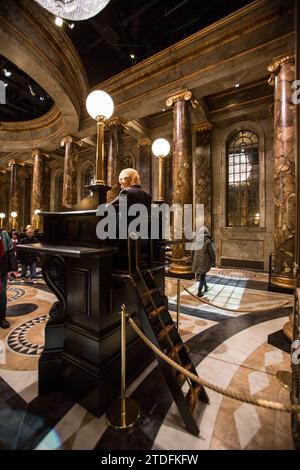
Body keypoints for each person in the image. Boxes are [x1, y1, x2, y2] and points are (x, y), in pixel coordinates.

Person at [191, 226, 215, 297]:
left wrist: (192, 259)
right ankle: (199, 291)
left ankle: (206, 286)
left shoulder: (195, 239)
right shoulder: (207, 241)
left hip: (196, 259)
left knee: (202, 274)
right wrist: (213, 260)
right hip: (204, 260)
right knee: (203, 275)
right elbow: (211, 252)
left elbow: (192, 250)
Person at [0, 229, 17, 328]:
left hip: (1, 270)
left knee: (2, 296)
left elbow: (10, 251)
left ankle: (2, 317)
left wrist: (14, 268)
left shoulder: (4, 234)